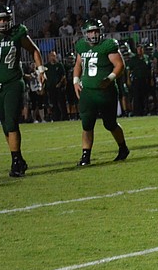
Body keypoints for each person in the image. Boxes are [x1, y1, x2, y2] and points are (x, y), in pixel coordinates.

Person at [0, 4, 46, 177]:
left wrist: (41, 70)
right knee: (5, 124)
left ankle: (16, 161)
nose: (2, 22)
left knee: (11, 122)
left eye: (5, 19)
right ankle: (19, 159)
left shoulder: (18, 32)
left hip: (14, 83)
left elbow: (34, 50)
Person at [72, 19, 130, 166]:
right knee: (87, 123)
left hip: (106, 91)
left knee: (110, 124)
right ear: (85, 33)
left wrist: (109, 78)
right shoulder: (81, 46)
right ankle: (86, 156)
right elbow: (78, 64)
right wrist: (75, 81)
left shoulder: (108, 45)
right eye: (90, 31)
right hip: (88, 92)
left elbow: (119, 65)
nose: (94, 34)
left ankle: (123, 148)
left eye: (96, 31)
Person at [44, 51, 68, 121]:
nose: (53, 57)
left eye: (54, 56)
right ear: (49, 57)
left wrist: (60, 83)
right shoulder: (46, 66)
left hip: (59, 87)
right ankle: (56, 117)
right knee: (53, 103)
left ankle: (64, 117)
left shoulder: (59, 65)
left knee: (62, 102)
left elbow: (63, 76)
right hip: (50, 88)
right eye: (51, 56)